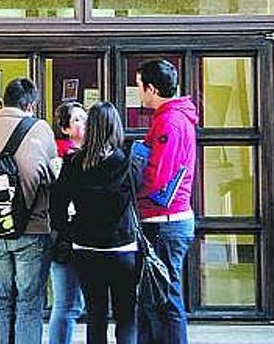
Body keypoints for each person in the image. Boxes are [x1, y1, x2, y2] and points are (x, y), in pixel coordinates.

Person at [0, 78, 58, 344]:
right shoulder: (40, 128)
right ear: (31, 104)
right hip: (31, 229)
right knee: (29, 303)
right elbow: (53, 173)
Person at [51, 102, 143, 344]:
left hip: (86, 249)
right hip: (122, 247)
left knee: (96, 315)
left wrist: (71, 231)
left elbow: (57, 206)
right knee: (126, 316)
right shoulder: (128, 162)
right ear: (116, 128)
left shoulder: (74, 163)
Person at [134, 60, 198, 344]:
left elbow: (158, 175)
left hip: (163, 223)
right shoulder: (176, 117)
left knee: (163, 300)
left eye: (139, 86)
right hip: (168, 221)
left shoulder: (169, 121)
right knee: (153, 300)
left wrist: (128, 187)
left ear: (152, 88)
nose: (138, 92)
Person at [48, 101, 87, 344]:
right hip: (68, 238)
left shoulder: (83, 156)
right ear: (64, 129)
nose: (84, 123)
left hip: (78, 237)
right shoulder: (61, 159)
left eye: (85, 118)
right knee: (67, 304)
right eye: (77, 120)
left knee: (72, 303)